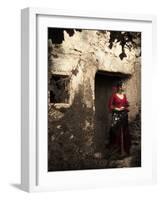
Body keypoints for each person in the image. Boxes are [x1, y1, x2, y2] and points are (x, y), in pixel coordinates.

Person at [108, 81, 131, 156]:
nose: (121, 88)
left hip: (124, 115)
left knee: (125, 131)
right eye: (120, 87)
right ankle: (117, 151)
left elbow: (126, 104)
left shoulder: (124, 95)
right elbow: (110, 106)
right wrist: (117, 108)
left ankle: (125, 151)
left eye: (122, 87)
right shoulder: (114, 96)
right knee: (116, 131)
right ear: (118, 87)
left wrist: (126, 105)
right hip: (116, 115)